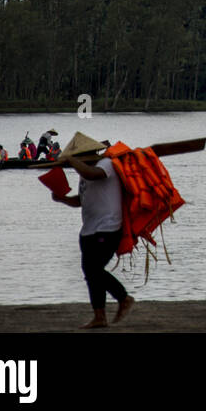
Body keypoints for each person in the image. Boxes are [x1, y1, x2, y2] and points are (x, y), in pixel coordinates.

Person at [51, 132, 135, 329]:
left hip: (108, 227)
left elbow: (92, 175)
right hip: (88, 229)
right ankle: (99, 316)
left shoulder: (105, 165)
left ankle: (124, 298)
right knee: (90, 273)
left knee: (94, 269)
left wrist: (71, 160)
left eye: (78, 156)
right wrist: (61, 198)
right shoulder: (83, 174)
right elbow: (80, 201)